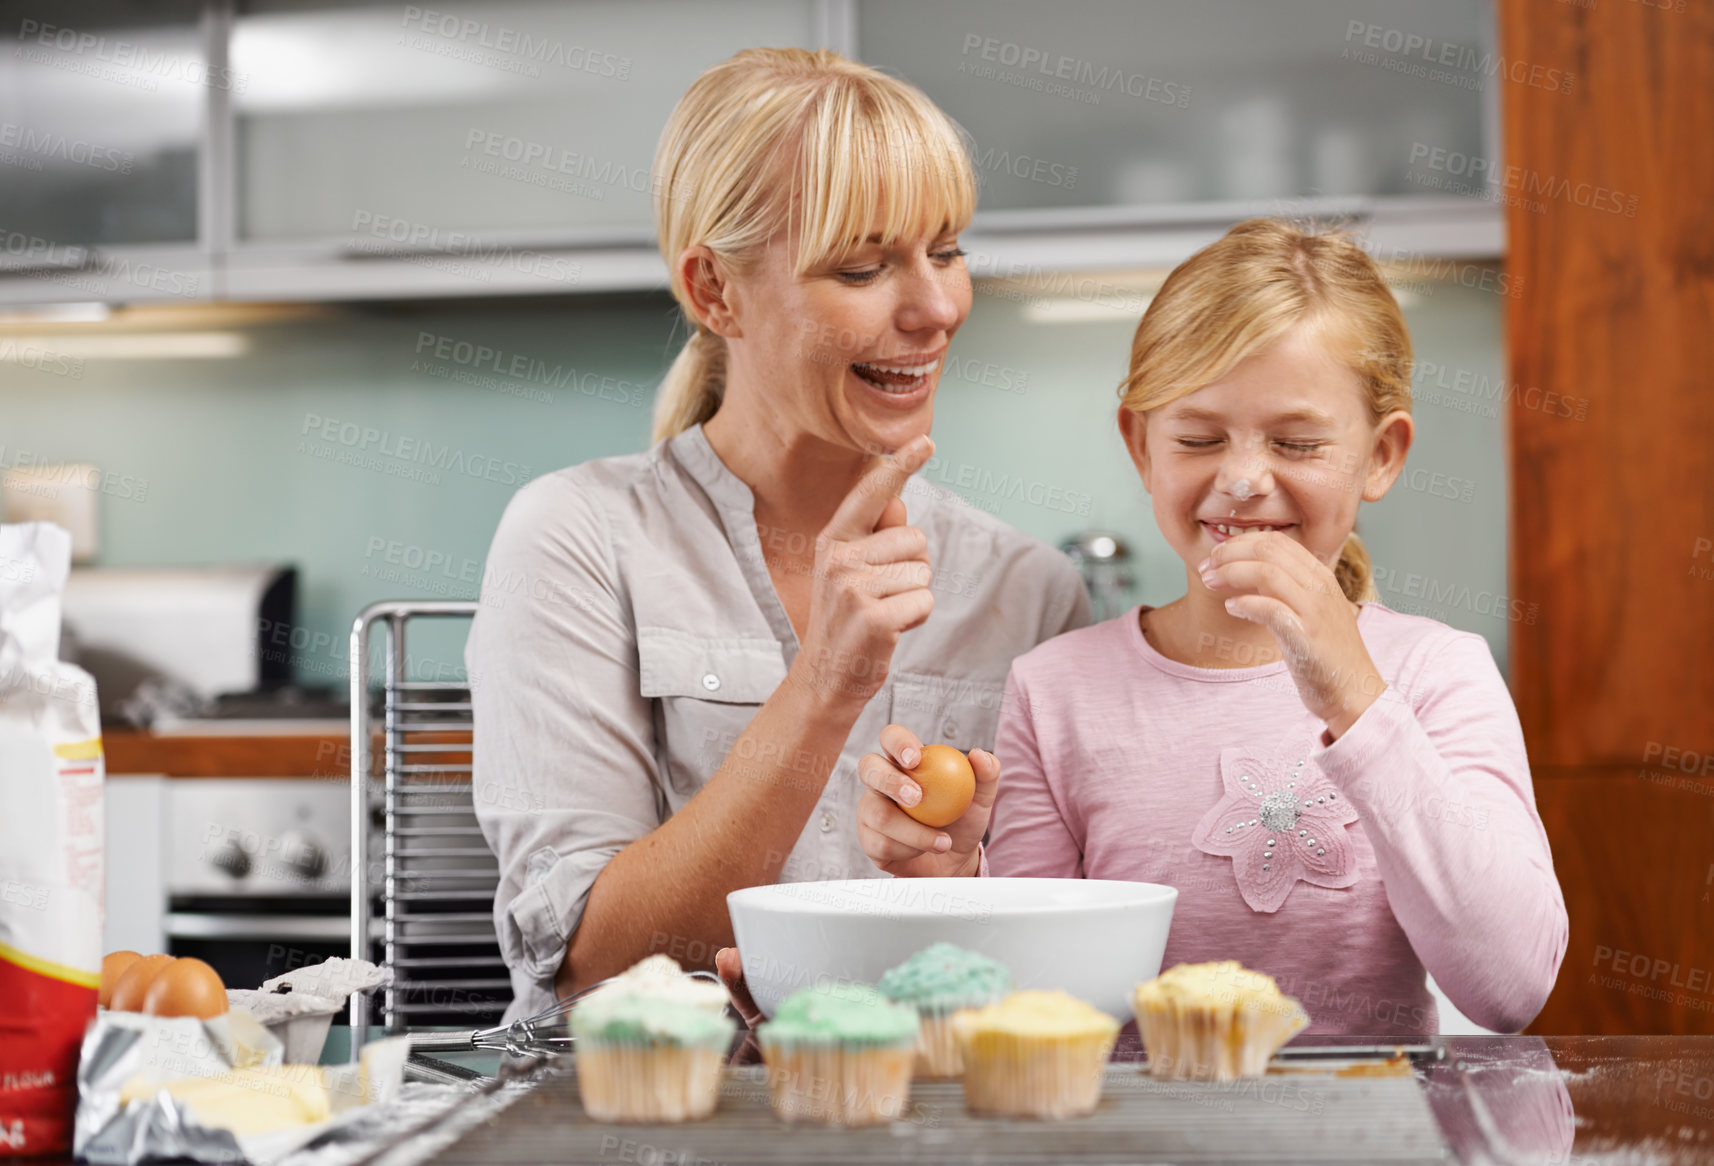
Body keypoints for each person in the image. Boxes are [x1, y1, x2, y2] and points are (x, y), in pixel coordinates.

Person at [468, 48, 1089, 1024]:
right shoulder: (580, 536)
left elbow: (1038, 991)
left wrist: (952, 877)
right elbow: (594, 964)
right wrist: (827, 682)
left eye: (948, 248)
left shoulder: (1028, 588)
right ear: (715, 291)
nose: (934, 307)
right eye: (862, 265)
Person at [857, 219, 1568, 1035]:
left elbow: (1511, 988)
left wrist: (1359, 702)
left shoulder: (1438, 674)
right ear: (1140, 443)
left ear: (1380, 455)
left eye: (1296, 442)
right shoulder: (1056, 690)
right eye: (1198, 438)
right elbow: (1035, 1015)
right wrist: (965, 885)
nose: (1240, 480)